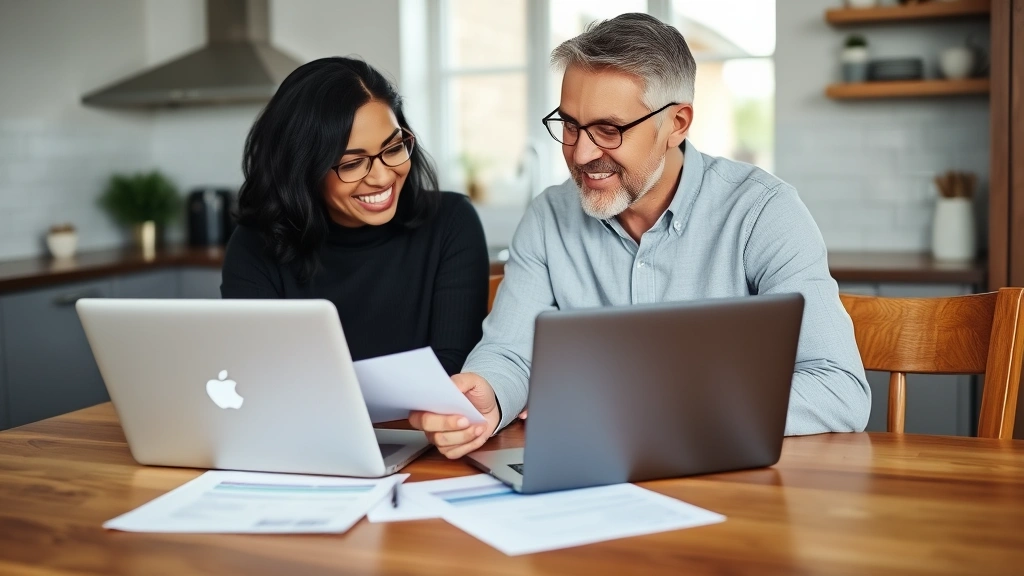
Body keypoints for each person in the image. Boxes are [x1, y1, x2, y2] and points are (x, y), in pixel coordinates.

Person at [410, 13, 871, 458]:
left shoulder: (762, 212)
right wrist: (488, 394)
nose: (582, 153)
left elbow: (837, 386)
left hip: (731, 484)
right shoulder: (549, 216)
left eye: (609, 130)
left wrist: (655, 408)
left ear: (677, 124)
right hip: (590, 472)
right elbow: (510, 353)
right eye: (570, 125)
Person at [221, 57, 489, 375]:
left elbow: (454, 371)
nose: (382, 177)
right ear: (301, 171)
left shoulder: (451, 223)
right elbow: (258, 376)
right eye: (351, 163)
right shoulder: (255, 244)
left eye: (393, 148)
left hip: (417, 425)